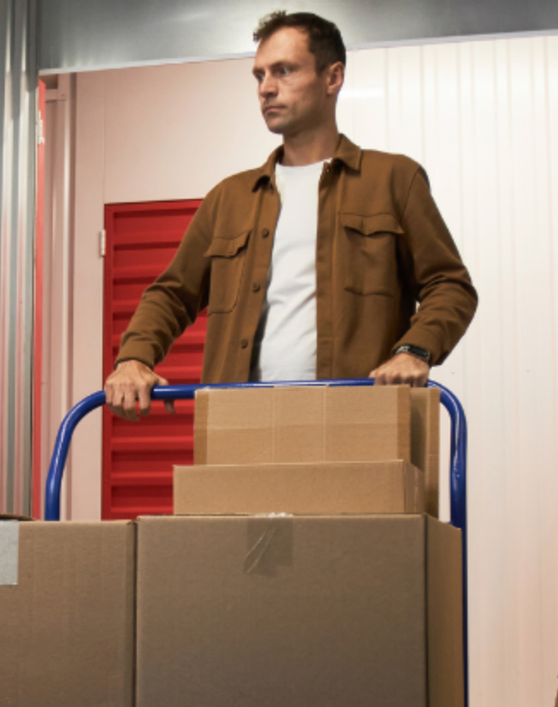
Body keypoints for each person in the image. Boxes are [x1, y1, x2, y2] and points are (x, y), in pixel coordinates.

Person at [104, 9, 478, 421]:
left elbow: (450, 286)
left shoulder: (393, 180)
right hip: (241, 426)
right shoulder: (229, 199)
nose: (266, 88)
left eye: (283, 71)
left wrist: (414, 350)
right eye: (259, 75)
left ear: (332, 78)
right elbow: (171, 295)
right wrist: (133, 359)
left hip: (356, 423)